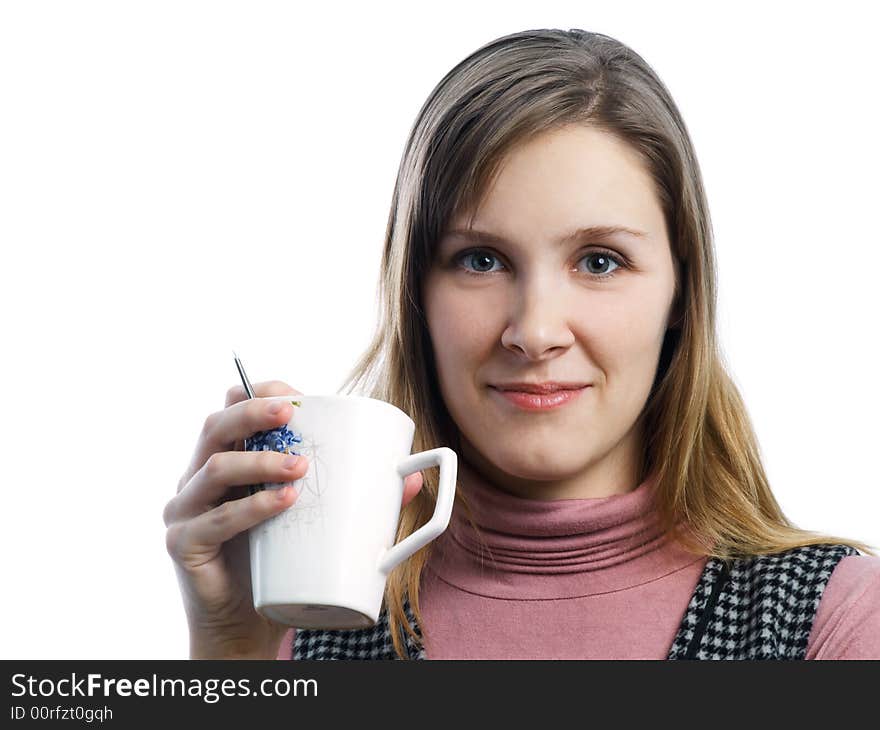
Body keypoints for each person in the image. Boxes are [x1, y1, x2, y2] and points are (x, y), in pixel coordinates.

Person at [165, 28, 880, 660]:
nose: (535, 332)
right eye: (480, 261)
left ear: (680, 295)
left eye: (599, 261)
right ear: (415, 294)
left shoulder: (832, 623)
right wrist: (230, 655)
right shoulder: (302, 630)